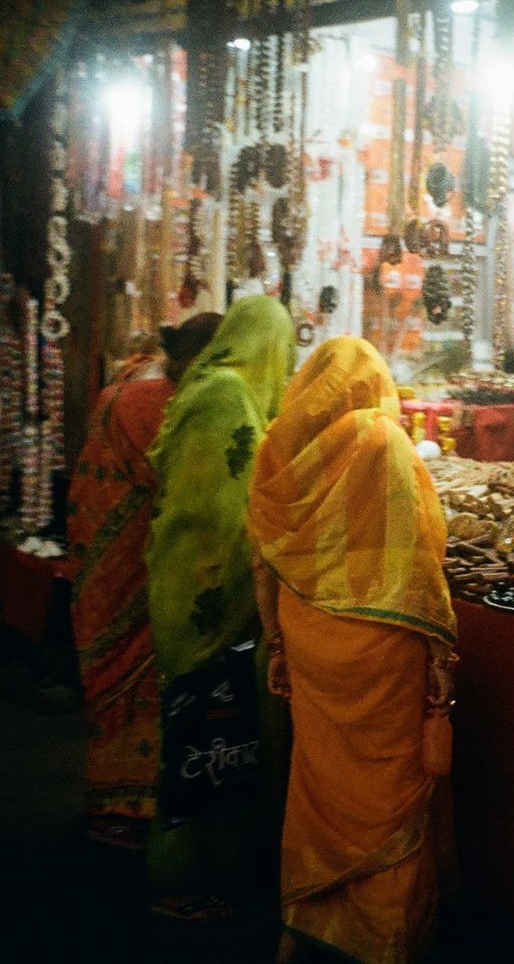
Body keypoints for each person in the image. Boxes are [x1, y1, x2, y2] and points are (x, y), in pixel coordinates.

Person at [247, 336, 458, 964]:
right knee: (388, 788)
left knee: (320, 780)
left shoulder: (279, 448)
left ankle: (307, 920)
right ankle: (385, 940)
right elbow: (417, 557)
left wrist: (279, 641)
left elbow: (263, 559)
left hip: (310, 641)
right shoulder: (381, 441)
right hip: (381, 647)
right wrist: (440, 651)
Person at [144, 294, 296, 918]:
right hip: (209, 595)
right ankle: (181, 881)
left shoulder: (206, 384)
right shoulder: (227, 397)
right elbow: (223, 514)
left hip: (186, 588)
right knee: (204, 736)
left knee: (210, 734)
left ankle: (212, 873)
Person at [67, 312, 223, 850]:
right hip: (129, 552)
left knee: (117, 672)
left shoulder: (133, 378)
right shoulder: (156, 401)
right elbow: (176, 478)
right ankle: (121, 807)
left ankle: (122, 801)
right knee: (131, 675)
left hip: (100, 546)